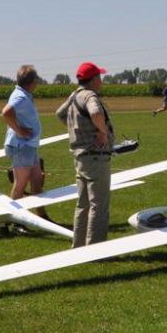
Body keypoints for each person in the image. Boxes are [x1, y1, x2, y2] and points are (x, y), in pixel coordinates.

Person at [56, 62, 114, 247]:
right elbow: (96, 112)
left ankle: (79, 245)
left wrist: (77, 130)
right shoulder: (90, 96)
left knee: (83, 205)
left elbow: (60, 114)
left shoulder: (74, 96)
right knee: (99, 205)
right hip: (96, 157)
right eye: (100, 77)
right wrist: (103, 132)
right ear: (94, 79)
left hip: (81, 158)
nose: (101, 81)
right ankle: (95, 249)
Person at [2, 65, 50, 223]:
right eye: (37, 79)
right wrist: (19, 131)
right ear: (32, 81)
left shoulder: (25, 94)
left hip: (29, 146)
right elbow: (6, 112)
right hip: (21, 147)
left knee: (37, 181)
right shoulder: (21, 97)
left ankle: (42, 217)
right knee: (20, 185)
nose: (38, 82)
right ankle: (16, 222)